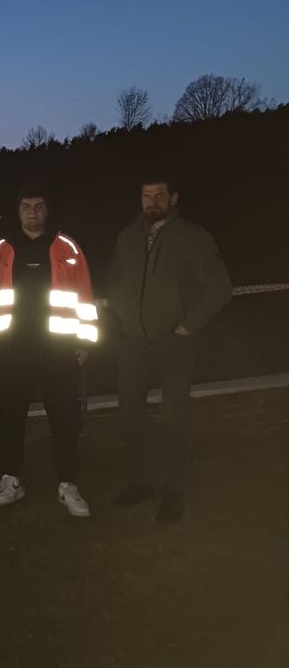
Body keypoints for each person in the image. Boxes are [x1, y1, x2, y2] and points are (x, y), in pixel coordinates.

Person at [107, 175, 231, 522]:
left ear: (173, 198)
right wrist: (123, 315)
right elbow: (114, 281)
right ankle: (140, 481)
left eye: (160, 195)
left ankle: (174, 490)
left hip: (175, 343)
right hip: (134, 340)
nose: (152, 201)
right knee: (131, 413)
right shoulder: (127, 237)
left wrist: (186, 326)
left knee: (176, 415)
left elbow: (220, 287)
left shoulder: (193, 237)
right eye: (147, 195)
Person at [0, 186, 98, 518]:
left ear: (47, 211)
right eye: (26, 206)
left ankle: (67, 483)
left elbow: (85, 295)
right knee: (11, 415)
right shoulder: (1, 249)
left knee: (64, 417)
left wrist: (85, 341)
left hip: (59, 347)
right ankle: (10, 479)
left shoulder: (67, 247)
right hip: (13, 347)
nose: (33, 211)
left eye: (39, 206)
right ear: (17, 211)